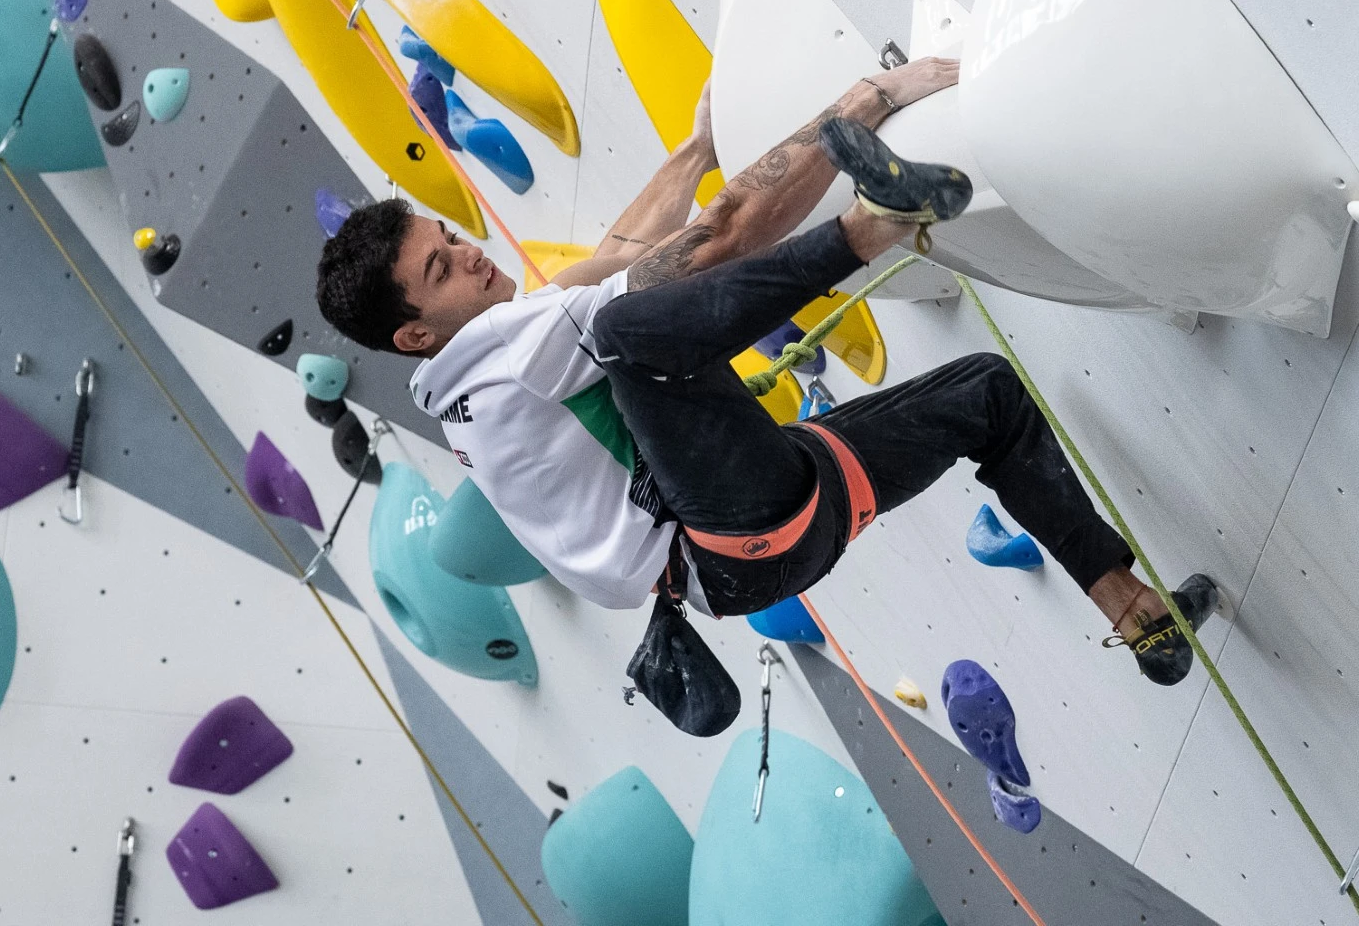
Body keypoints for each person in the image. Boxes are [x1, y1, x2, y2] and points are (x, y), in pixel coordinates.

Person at [316, 58, 1217, 688]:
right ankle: (878, 226)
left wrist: (696, 148)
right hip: (734, 529)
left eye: (452, 238)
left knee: (986, 395)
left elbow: (609, 258)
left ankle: (1141, 620)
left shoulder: (475, 378)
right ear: (412, 336)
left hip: (767, 533)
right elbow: (719, 241)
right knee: (635, 331)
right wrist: (865, 100)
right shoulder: (509, 364)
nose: (468, 257)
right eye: (442, 271)